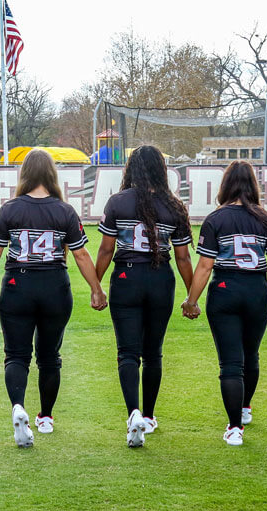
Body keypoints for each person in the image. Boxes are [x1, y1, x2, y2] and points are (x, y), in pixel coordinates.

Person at [0, 149, 107, 448]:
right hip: (55, 285)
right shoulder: (64, 211)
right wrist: (96, 288)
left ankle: (18, 406)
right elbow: (81, 254)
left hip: (18, 284)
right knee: (49, 357)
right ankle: (45, 417)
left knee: (16, 355)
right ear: (51, 174)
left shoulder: (11, 209)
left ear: (25, 174)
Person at [180, 161, 267, 446]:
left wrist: (191, 300)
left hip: (225, 290)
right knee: (251, 355)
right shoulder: (266, 219)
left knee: (230, 363)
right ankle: (245, 408)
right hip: (256, 290)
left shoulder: (216, 219)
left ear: (226, 185)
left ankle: (234, 427)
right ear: (253, 185)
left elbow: (204, 267)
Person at [94, 145, 193, 448]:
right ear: (161, 171)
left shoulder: (118, 202)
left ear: (131, 169)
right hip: (160, 278)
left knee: (127, 352)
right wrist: (192, 295)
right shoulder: (174, 206)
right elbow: (184, 258)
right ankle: (148, 416)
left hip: (125, 277)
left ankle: (133, 413)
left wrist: (96, 286)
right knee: (153, 352)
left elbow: (106, 250)